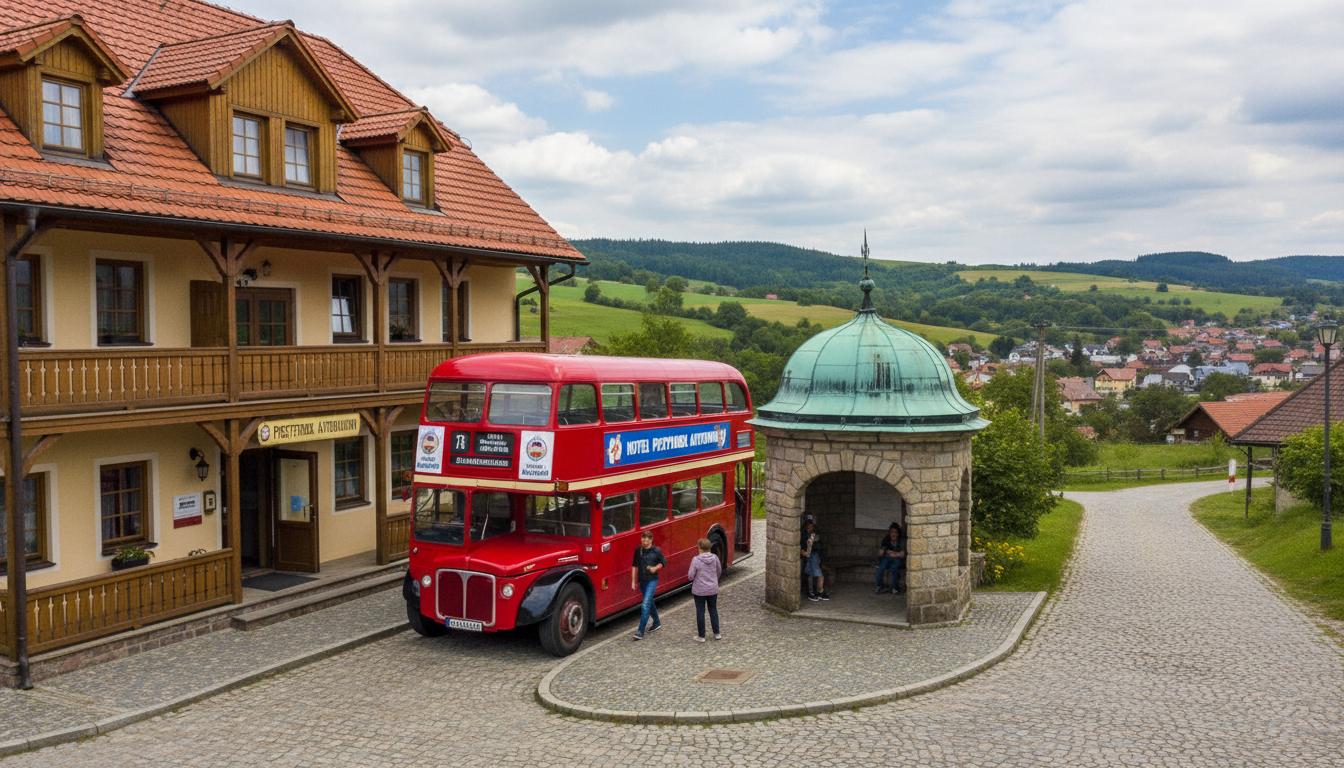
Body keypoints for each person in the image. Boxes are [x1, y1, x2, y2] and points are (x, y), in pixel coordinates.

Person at [630, 530, 665, 640]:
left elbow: (663, 562)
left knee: (645, 605)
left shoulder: (656, 551)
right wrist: (633, 581)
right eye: (643, 539)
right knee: (649, 602)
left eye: (646, 540)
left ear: (651, 540)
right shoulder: (638, 550)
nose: (644, 541)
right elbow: (634, 566)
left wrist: (655, 568)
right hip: (642, 581)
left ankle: (640, 632)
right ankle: (657, 622)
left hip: (652, 581)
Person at [687, 537, 722, 642]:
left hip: (699, 591)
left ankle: (701, 636)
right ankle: (717, 633)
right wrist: (714, 580)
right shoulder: (715, 558)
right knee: (713, 610)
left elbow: (690, 576)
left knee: (700, 612)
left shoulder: (696, 560)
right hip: (712, 589)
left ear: (700, 548)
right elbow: (719, 571)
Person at [800, 515, 830, 601]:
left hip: (815, 556)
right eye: (808, 526)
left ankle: (818, 591)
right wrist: (804, 552)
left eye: (811, 526)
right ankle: (815, 592)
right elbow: (802, 546)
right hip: (810, 557)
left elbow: (819, 545)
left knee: (815, 574)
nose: (810, 528)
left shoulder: (814, 534)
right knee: (814, 574)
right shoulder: (803, 535)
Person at [875, 522, 905, 594]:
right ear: (889, 533)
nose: (893, 534)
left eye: (895, 532)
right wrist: (884, 551)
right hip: (887, 558)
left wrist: (891, 553)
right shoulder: (886, 539)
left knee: (894, 568)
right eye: (892, 532)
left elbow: (902, 554)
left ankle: (894, 588)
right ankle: (879, 586)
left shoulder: (901, 541)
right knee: (880, 568)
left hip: (898, 560)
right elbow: (881, 553)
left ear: (898, 534)